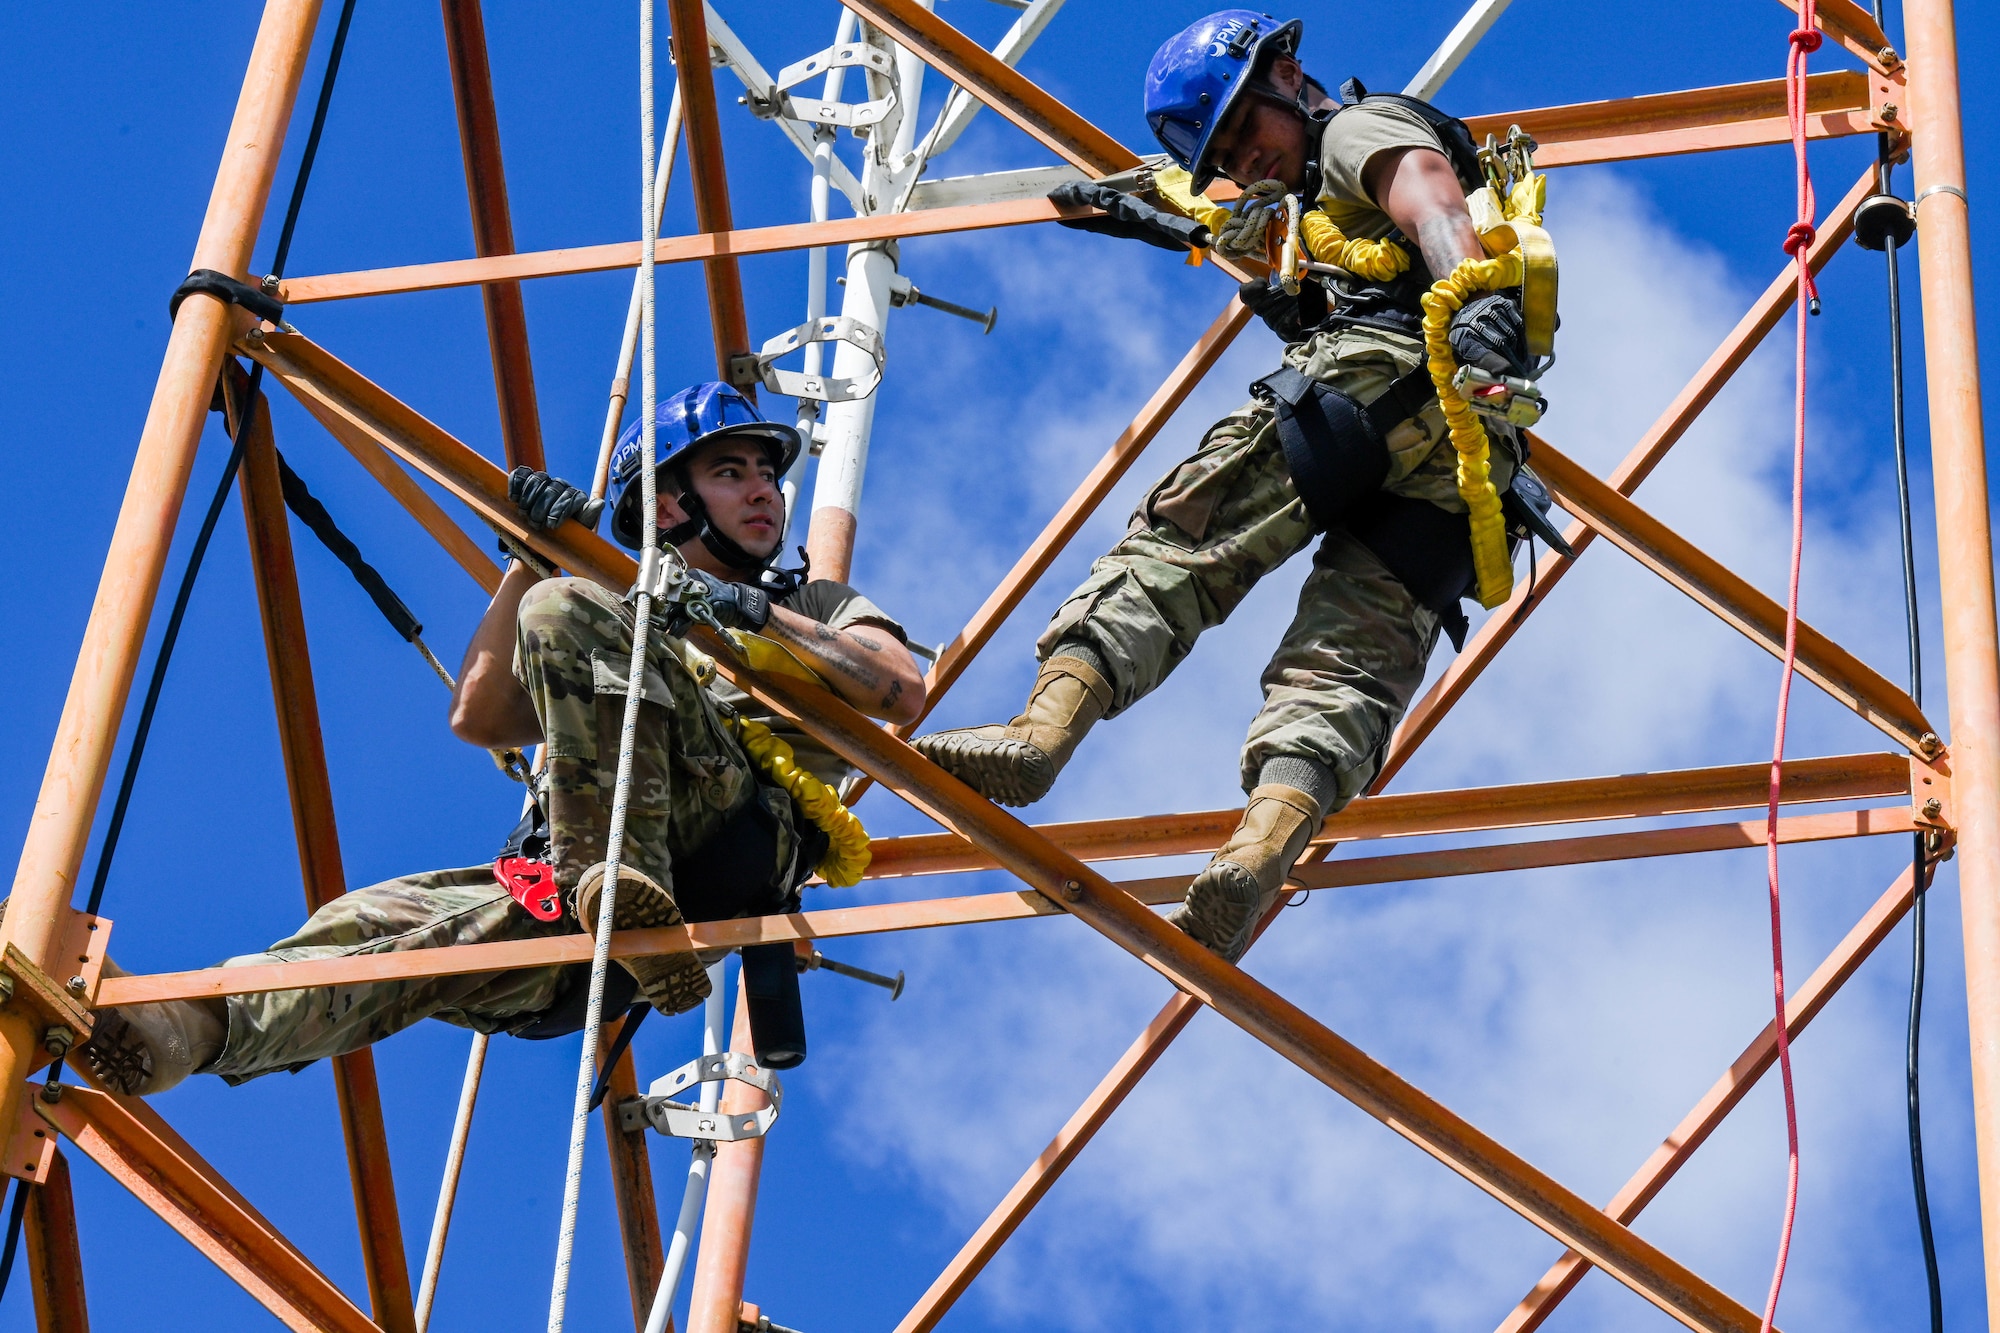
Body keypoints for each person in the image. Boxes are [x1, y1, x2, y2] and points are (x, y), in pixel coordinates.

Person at [915, 11, 1555, 963]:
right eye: (1223, 155)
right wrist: (1163, 219)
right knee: (1347, 664)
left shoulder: (1356, 129)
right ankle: (1257, 856)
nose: (1245, 163)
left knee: (1183, 542)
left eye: (1246, 133)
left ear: (1288, 77)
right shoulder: (1306, 212)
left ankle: (1043, 732)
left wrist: (1478, 304)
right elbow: (1302, 250)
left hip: (1386, 377)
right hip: (1467, 472)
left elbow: (1427, 198)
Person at [80, 381, 924, 1096]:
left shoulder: (812, 608)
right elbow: (480, 716)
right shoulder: (606, 609)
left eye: (767, 474)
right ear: (667, 502)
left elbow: (898, 687)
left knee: (566, 609)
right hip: (572, 890)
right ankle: (190, 1027)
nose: (765, 490)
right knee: (386, 933)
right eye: (731, 472)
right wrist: (534, 557)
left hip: (717, 832)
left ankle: (615, 880)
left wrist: (752, 612)